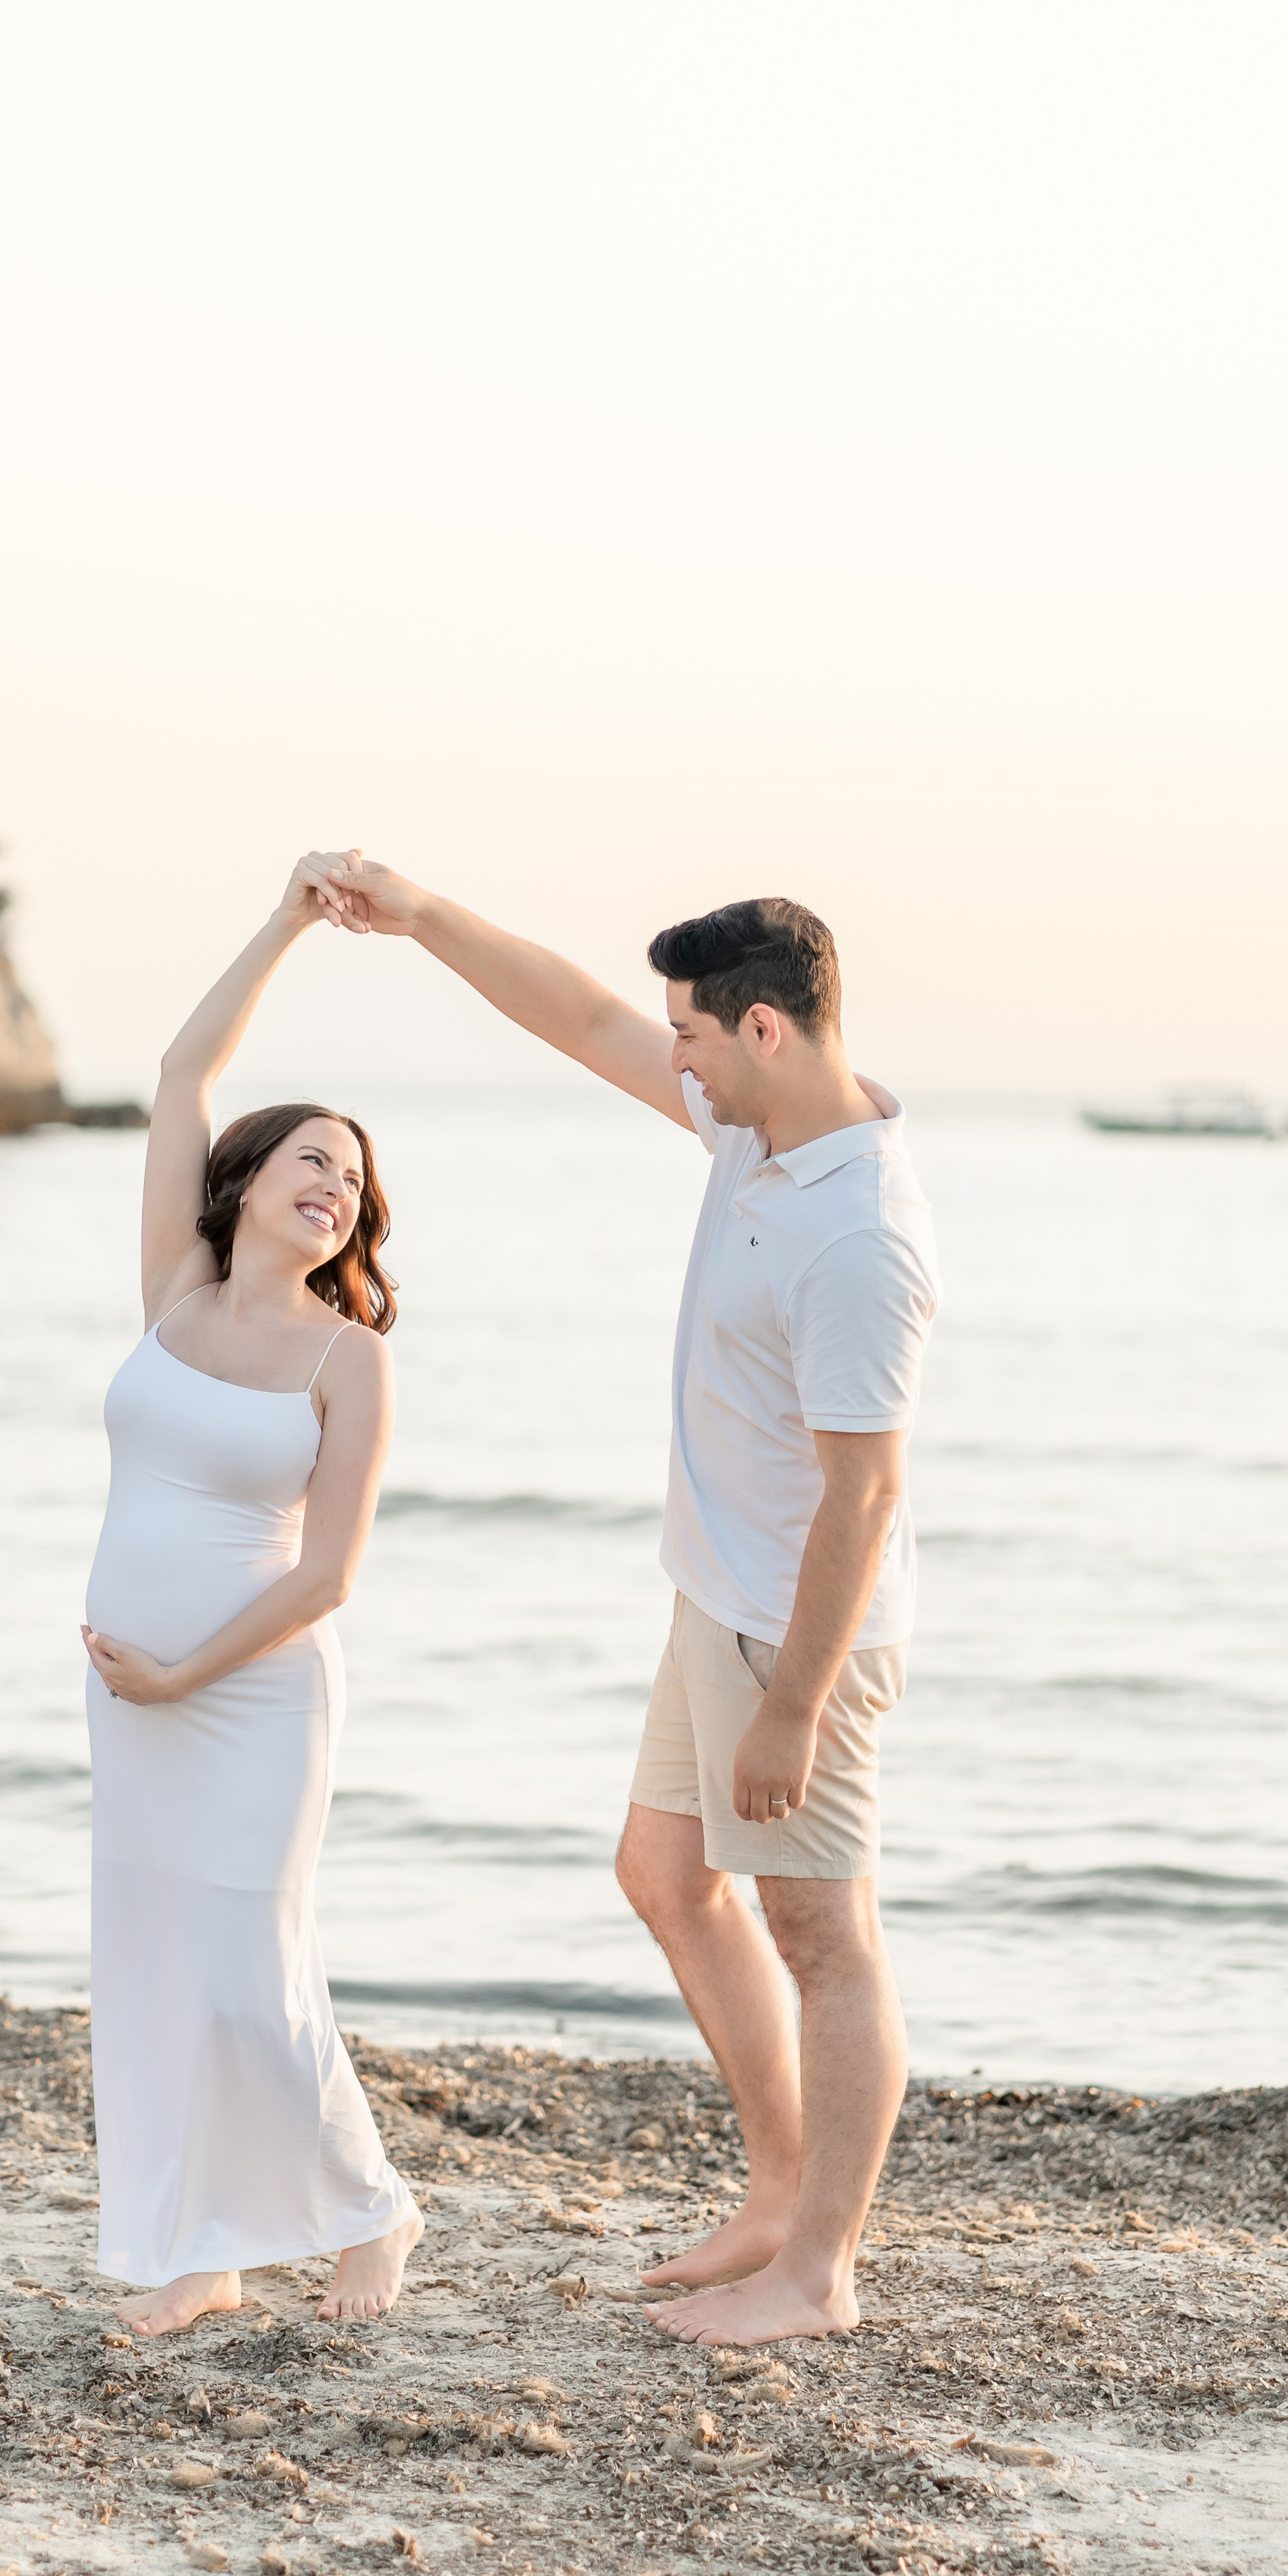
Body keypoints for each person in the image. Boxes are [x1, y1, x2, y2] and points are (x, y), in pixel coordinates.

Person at [306, 857, 937, 2349]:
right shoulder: (757, 1136)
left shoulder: (857, 1235)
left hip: (791, 1633)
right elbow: (583, 1018)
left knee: (823, 1937)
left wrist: (790, 1701)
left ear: (766, 1030)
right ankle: (779, 2194)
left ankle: (820, 2273)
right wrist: (421, 916)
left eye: (695, 1034)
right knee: (664, 1877)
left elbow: (862, 1498)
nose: (673, 1055)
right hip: (709, 1598)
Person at [80, 858, 422, 2338]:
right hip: (132, 1691)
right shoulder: (174, 1290)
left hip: (250, 1691)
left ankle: (373, 2207)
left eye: (348, 1179)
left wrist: (179, 1674)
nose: (330, 1183)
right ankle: (201, 2255)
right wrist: (287, 922)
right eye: (308, 1157)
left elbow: (329, 1575)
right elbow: (179, 1066)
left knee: (244, 1965)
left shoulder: (347, 1360)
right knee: (153, 1962)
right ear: (248, 1174)